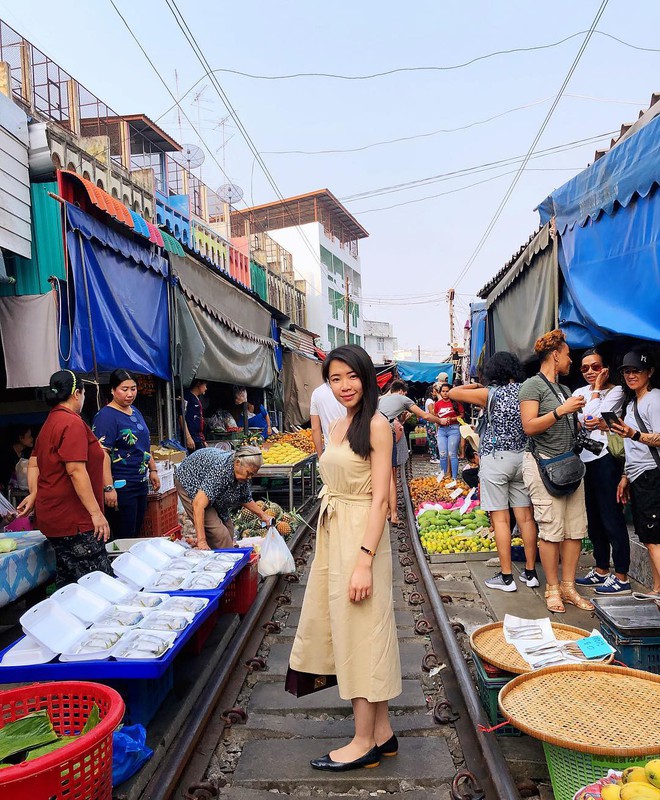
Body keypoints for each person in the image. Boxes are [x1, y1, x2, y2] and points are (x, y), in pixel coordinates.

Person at [289, 344, 401, 772]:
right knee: (357, 629)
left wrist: (364, 560)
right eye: (334, 379)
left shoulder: (376, 425)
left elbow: (379, 500)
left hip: (360, 537)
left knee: (363, 635)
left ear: (367, 377)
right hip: (336, 534)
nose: (343, 386)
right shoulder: (340, 426)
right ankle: (383, 733)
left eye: (351, 376)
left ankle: (362, 741)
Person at [16, 370, 114, 587]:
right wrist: (96, 514)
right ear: (77, 393)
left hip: (54, 517)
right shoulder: (72, 423)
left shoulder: (50, 421)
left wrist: (34, 493)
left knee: (70, 584)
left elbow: (35, 463)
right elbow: (75, 471)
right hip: (75, 520)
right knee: (99, 586)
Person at [450, 353, 538, 592]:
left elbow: (452, 393)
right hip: (522, 458)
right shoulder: (527, 391)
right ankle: (530, 573)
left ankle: (507, 577)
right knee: (526, 517)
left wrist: (478, 385)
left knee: (500, 519)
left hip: (496, 459)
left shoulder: (490, 394)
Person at [519, 330, 593, 613]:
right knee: (550, 530)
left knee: (575, 530)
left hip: (570, 465)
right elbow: (529, 426)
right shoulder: (531, 386)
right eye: (568, 354)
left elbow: (566, 427)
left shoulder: (564, 391)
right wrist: (562, 411)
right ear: (555, 355)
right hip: (543, 465)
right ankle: (551, 588)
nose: (571, 360)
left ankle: (568, 586)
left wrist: (584, 422)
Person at [572, 349, 630, 594]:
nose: (590, 372)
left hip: (605, 458)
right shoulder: (578, 393)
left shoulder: (616, 391)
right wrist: (592, 406)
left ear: (605, 368)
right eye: (585, 368)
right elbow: (585, 422)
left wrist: (595, 389)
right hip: (584, 460)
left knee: (611, 517)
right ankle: (601, 568)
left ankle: (622, 575)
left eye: (595, 367)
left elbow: (590, 415)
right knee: (593, 518)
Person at [612, 350, 660, 598]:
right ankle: (656, 590)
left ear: (649, 373)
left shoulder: (655, 400)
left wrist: (635, 434)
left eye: (636, 371)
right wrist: (625, 477)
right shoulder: (631, 404)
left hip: (653, 475)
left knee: (653, 539)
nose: (631, 375)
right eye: (627, 371)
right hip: (639, 476)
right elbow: (632, 449)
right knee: (651, 537)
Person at [92, 369, 160, 540]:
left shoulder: (134, 411)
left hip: (140, 483)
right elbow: (102, 454)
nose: (130, 394)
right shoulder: (105, 417)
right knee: (124, 535)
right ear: (113, 390)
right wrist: (108, 487)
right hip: (121, 486)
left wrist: (153, 469)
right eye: (124, 389)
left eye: (133, 388)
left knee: (136, 532)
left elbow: (142, 444)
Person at [175, 445, 273, 550]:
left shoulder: (241, 473)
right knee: (219, 535)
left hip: (209, 488)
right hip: (190, 482)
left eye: (252, 475)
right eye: (248, 473)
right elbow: (198, 505)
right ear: (237, 463)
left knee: (229, 530)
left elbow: (245, 498)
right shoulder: (220, 470)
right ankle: (221, 562)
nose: (249, 477)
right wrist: (201, 541)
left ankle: (219, 555)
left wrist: (263, 515)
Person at [378, 380, 442, 526]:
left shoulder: (380, 399)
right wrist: (440, 421)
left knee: (380, 475)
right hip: (386, 433)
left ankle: (386, 510)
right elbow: (425, 416)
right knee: (391, 477)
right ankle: (393, 514)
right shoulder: (402, 399)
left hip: (373, 433)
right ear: (401, 391)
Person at [434, 384, 464, 479]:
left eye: (447, 391)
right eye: (443, 391)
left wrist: (452, 419)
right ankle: (444, 476)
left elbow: (462, 415)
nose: (445, 393)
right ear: (440, 392)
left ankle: (454, 478)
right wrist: (437, 429)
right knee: (442, 454)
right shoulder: (437, 404)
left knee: (452, 454)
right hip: (442, 430)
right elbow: (435, 417)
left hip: (454, 429)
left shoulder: (456, 403)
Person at [310, 381, 346, 458]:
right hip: (354, 449)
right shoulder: (349, 390)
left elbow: (315, 428)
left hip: (330, 451)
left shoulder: (317, 393)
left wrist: (320, 456)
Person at [0, 424, 34, 490]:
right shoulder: (5, 455)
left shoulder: (28, 454)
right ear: (21, 438)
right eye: (29, 436)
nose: (32, 438)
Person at [182, 379, 208, 452]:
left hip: (198, 437)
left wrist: (203, 440)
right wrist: (188, 437)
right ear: (198, 384)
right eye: (205, 385)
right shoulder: (188, 397)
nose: (206, 388)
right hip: (191, 437)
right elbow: (181, 417)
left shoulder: (197, 399)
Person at [424, 386, 440, 464]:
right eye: (434, 391)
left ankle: (434, 456)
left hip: (430, 421)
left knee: (432, 439)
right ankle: (433, 457)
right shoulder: (430, 401)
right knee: (432, 440)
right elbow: (432, 412)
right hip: (431, 421)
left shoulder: (430, 400)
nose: (436, 392)